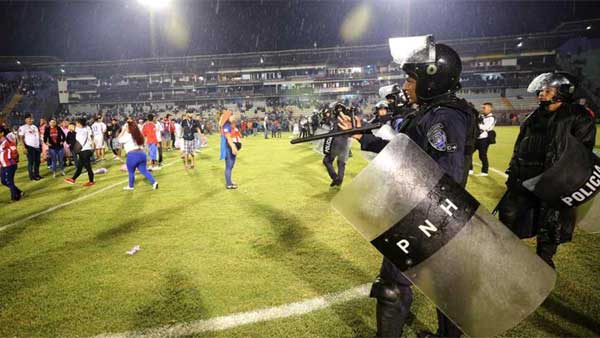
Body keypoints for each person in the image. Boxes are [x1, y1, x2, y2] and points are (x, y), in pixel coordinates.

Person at [338, 42, 477, 338]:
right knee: (445, 285)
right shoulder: (431, 112)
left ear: (432, 79)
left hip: (428, 212)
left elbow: (447, 174)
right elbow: (406, 150)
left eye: (411, 79)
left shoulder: (445, 117)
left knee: (394, 287)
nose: (406, 86)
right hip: (437, 212)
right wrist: (366, 138)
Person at [497, 71, 596, 269]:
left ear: (564, 91)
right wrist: (513, 172)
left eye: (547, 90)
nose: (541, 94)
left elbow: (582, 152)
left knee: (550, 226)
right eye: (541, 90)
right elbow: (520, 147)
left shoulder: (578, 116)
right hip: (525, 180)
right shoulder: (533, 117)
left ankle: (544, 264)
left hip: (554, 182)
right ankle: (504, 260)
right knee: (507, 216)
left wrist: (563, 180)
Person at [119, 119, 158, 190]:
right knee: (144, 171)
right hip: (142, 154)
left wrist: (123, 130)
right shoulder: (138, 135)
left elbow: (118, 139)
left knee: (131, 172)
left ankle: (130, 186)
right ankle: (154, 182)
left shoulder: (128, 136)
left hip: (132, 155)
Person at [322, 104, 352, 187]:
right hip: (345, 143)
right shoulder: (348, 119)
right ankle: (339, 179)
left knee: (327, 161)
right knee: (341, 162)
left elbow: (330, 129)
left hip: (335, 142)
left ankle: (335, 178)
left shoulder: (334, 120)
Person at [64, 118, 95, 186]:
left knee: (88, 167)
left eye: (77, 123)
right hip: (83, 151)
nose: (76, 124)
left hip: (85, 151)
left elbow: (70, 127)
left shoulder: (81, 130)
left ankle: (91, 181)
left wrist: (67, 123)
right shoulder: (83, 129)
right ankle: (73, 179)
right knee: (80, 167)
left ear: (79, 124)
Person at [469, 102, 496, 176]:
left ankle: (484, 171)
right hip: (476, 138)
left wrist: (476, 122)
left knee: (482, 155)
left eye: (484, 108)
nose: (482, 109)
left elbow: (485, 127)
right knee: (469, 153)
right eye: (482, 108)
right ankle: (470, 169)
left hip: (484, 139)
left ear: (490, 108)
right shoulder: (481, 116)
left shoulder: (491, 118)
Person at [219, 110, 241, 189]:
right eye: (232, 115)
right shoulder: (226, 126)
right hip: (228, 147)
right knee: (229, 166)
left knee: (230, 166)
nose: (233, 117)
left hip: (229, 146)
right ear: (228, 117)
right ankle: (228, 184)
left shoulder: (228, 125)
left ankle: (230, 182)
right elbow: (228, 137)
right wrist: (233, 147)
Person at [0, 126, 23, 201]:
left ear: (2, 133)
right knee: (4, 181)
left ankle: (15, 197)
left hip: (10, 164)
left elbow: (14, 150)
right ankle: (18, 192)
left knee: (9, 181)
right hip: (3, 165)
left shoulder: (7, 141)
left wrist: (14, 159)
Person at [18, 113, 43, 180]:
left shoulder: (35, 127)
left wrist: (40, 144)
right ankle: (31, 176)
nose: (31, 120)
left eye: (31, 118)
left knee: (37, 161)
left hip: (37, 147)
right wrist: (24, 148)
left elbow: (38, 136)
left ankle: (37, 174)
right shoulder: (23, 127)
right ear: (25, 120)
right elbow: (21, 138)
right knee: (31, 162)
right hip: (29, 147)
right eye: (29, 118)